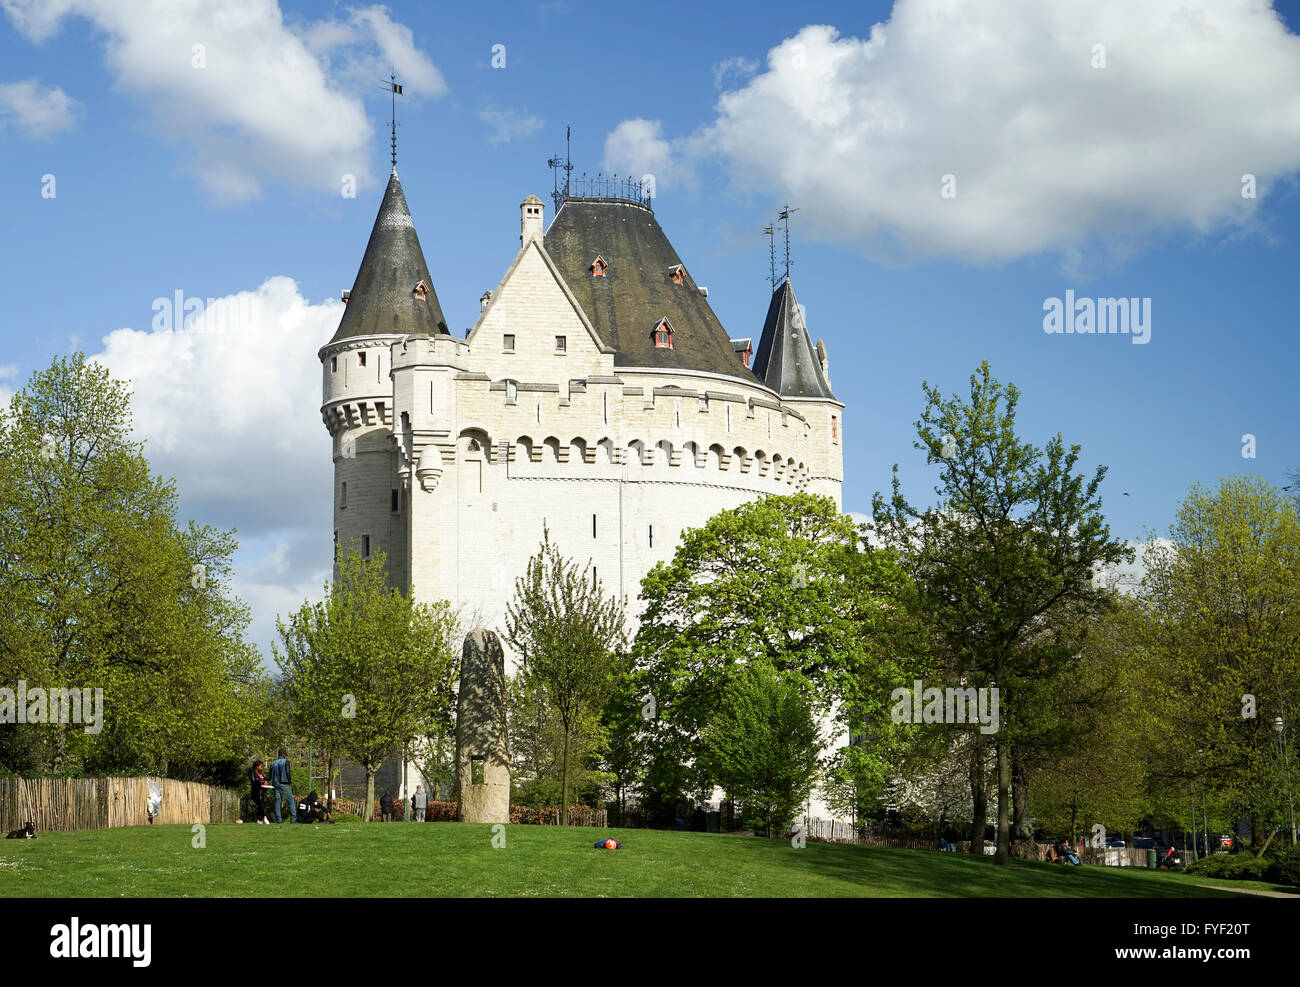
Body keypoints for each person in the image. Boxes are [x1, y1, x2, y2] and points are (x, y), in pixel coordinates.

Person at [269, 748, 296, 823]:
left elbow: (270, 775)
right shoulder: (286, 762)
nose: (285, 756)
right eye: (285, 755)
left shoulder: (273, 763)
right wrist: (289, 782)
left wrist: (271, 783)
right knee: (290, 800)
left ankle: (278, 819)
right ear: (283, 754)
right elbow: (287, 772)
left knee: (277, 801)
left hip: (275, 784)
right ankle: (293, 819)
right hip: (283, 783)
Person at [248, 759, 270, 824]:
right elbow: (254, 781)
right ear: (257, 766)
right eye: (261, 766)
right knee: (260, 805)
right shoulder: (252, 772)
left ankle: (259, 820)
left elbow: (263, 779)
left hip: (262, 791)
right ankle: (264, 817)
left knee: (261, 806)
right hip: (256, 792)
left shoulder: (260, 773)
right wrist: (262, 782)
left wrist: (265, 782)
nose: (262, 768)